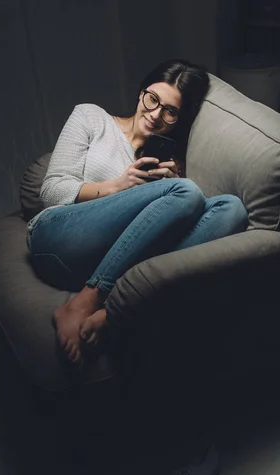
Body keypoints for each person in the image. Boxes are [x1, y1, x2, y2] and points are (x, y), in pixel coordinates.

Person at [26, 58, 248, 370]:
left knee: (231, 208)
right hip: (57, 239)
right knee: (187, 191)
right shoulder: (91, 117)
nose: (156, 115)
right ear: (141, 92)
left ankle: (115, 306)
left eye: (170, 111)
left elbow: (161, 226)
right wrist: (118, 186)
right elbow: (51, 190)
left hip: (108, 260)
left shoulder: (165, 161)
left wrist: (170, 188)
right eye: (153, 99)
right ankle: (83, 303)